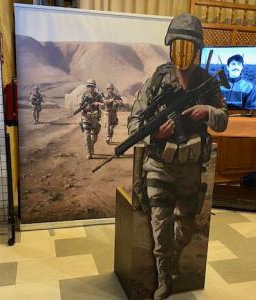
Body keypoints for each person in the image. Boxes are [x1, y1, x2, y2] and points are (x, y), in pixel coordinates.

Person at [127, 13, 228, 300]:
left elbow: (223, 120)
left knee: (186, 224)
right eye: (178, 45)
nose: (183, 52)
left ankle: (171, 262)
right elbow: (134, 123)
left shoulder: (207, 82)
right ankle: (164, 279)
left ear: (197, 50)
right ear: (171, 46)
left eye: (189, 46)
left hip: (191, 167)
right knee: (160, 227)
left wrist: (207, 112)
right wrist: (155, 135)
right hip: (160, 166)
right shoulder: (157, 81)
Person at [78, 79, 103, 159]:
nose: (91, 88)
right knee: (87, 136)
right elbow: (79, 106)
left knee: (94, 137)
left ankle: (91, 145)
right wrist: (85, 108)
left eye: (92, 86)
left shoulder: (98, 96)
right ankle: (89, 152)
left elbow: (103, 105)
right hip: (86, 118)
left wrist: (98, 103)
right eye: (89, 86)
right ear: (87, 87)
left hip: (95, 119)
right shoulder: (84, 95)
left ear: (94, 87)